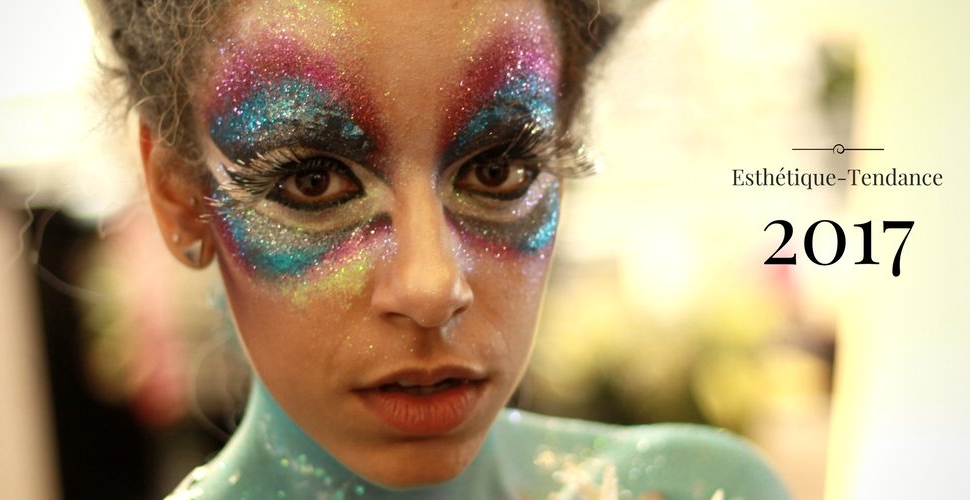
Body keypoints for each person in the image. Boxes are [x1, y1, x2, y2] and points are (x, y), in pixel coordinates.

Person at [92, 0, 791, 498]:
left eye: (497, 170)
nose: (432, 288)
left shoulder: (703, 490)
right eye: (314, 181)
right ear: (178, 196)